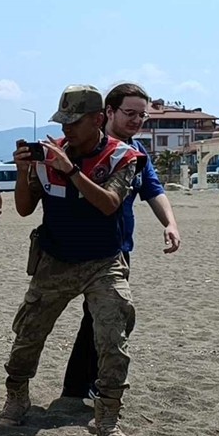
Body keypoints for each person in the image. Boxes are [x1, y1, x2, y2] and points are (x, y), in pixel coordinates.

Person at [0, 85, 143, 436]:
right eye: (63, 122)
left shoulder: (121, 157)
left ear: (98, 120)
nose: (67, 129)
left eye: (74, 122)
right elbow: (25, 209)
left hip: (103, 262)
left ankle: (108, 419)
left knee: (113, 338)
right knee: (28, 334)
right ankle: (16, 397)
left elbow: (109, 203)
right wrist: (24, 171)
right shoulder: (50, 156)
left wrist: (72, 170)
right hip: (55, 260)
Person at [61, 82, 182, 400]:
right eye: (130, 113)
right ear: (109, 112)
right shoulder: (89, 146)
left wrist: (170, 224)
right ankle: (78, 387)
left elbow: (153, 189)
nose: (136, 120)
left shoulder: (137, 152)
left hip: (118, 249)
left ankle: (79, 387)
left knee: (105, 319)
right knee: (96, 319)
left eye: (142, 115)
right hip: (76, 248)